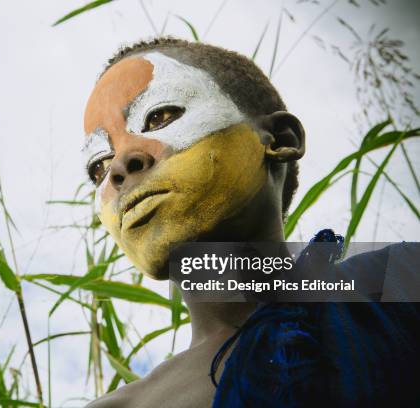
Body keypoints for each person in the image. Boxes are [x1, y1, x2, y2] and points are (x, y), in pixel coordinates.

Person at [81, 37, 420, 408]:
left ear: (279, 138)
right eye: (98, 164)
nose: (116, 167)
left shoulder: (402, 282)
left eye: (160, 116)